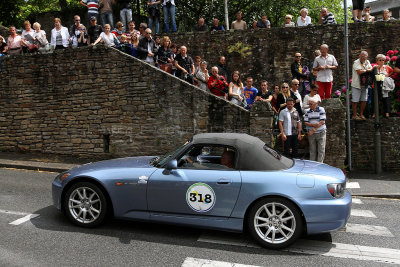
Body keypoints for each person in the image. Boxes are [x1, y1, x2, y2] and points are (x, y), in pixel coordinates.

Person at [351, 51, 373, 120]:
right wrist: (367, 70)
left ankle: (361, 114)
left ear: (367, 56)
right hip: (356, 84)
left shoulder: (367, 62)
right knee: (355, 100)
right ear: (360, 56)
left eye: (364, 56)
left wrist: (365, 70)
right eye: (361, 56)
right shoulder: (356, 62)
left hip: (365, 84)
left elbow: (371, 68)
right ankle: (354, 115)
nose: (363, 57)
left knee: (364, 100)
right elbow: (359, 72)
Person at [373, 54, 394, 119]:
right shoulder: (375, 67)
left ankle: (387, 113)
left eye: (383, 60)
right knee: (377, 99)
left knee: (386, 99)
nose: (382, 61)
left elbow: (391, 71)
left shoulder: (387, 67)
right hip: (377, 85)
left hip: (385, 85)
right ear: (377, 60)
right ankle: (375, 113)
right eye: (380, 60)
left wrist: (387, 77)